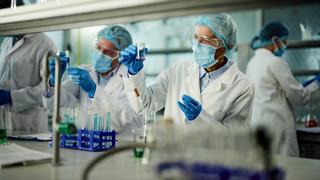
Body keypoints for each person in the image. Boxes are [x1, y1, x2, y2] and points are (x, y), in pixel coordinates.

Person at [119, 13, 254, 130]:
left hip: (209, 158)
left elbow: (233, 137)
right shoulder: (178, 70)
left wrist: (200, 118)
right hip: (171, 154)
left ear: (227, 46)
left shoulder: (242, 86)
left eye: (206, 41)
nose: (197, 45)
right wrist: (134, 73)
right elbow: (145, 105)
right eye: (196, 37)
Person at [43, 25, 142, 138]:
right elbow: (54, 105)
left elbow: (124, 118)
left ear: (121, 56)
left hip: (118, 145)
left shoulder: (131, 80)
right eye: (98, 47)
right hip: (85, 144)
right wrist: (54, 80)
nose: (100, 54)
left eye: (109, 52)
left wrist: (93, 90)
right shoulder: (86, 72)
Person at [246, 22, 320, 157]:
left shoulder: (252, 63)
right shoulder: (275, 62)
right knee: (287, 172)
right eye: (284, 41)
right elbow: (300, 97)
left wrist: (303, 86)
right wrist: (317, 83)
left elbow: (274, 90)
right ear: (275, 40)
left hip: (260, 127)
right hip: (278, 129)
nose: (285, 45)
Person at [0, 33, 57, 132]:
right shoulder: (7, 41)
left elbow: (50, 90)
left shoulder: (45, 44)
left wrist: (11, 97)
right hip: (4, 122)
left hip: (29, 126)